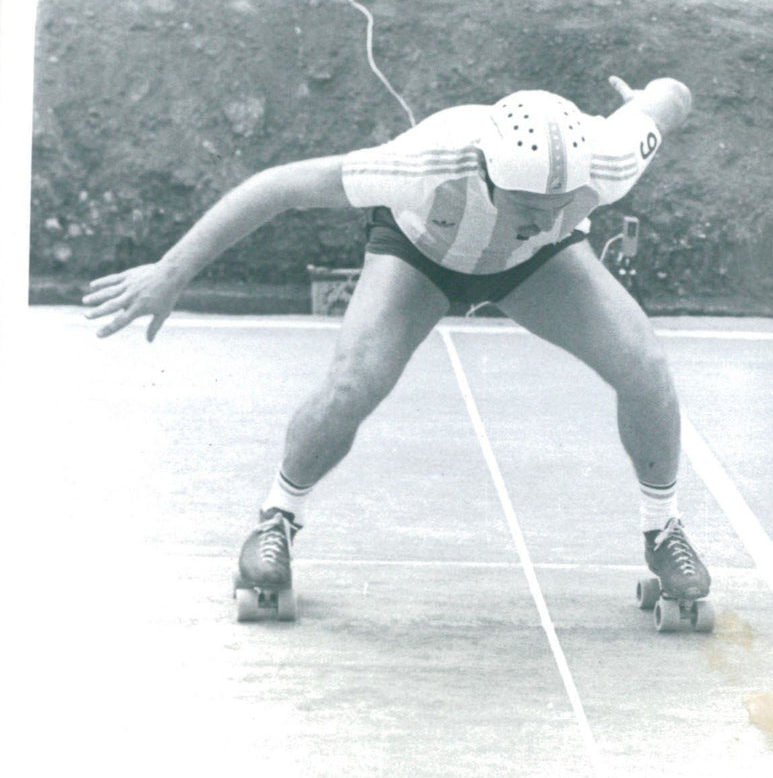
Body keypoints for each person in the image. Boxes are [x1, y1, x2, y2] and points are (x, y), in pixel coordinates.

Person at [83, 74, 711, 609]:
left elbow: (668, 99)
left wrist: (652, 93)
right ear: (486, 176)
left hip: (539, 268)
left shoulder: (611, 159)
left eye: (558, 206)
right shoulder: (424, 163)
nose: (540, 220)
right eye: (525, 208)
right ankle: (277, 516)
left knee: (645, 365)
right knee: (355, 382)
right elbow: (277, 188)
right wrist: (173, 271)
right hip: (420, 252)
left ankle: (664, 530)